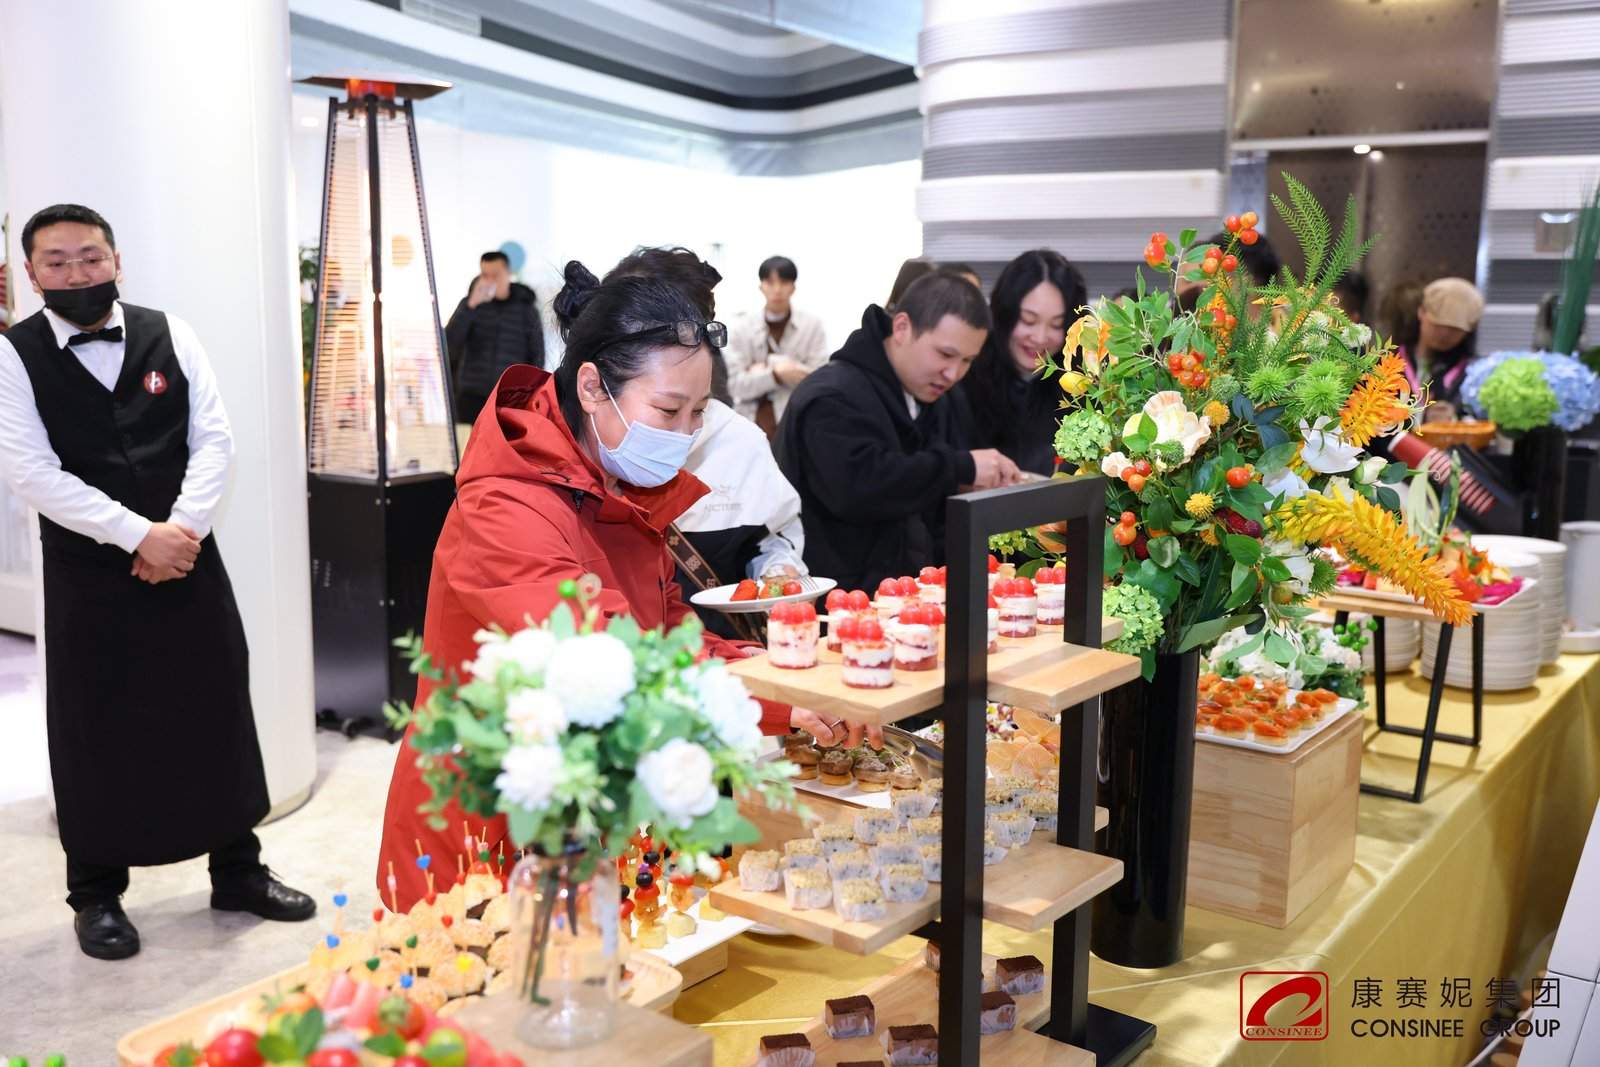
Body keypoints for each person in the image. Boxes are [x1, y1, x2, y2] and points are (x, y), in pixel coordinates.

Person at [377, 252, 859, 910]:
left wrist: (787, 690)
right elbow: (615, 663)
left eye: (698, 413)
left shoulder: (621, 489)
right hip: (485, 829)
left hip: (583, 811)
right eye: (668, 410)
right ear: (592, 388)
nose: (686, 435)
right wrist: (766, 697)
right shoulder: (507, 504)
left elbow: (673, 642)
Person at [0, 204, 314, 961]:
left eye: (90, 256)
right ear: (31, 275)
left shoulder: (171, 332)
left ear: (117, 260)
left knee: (215, 706)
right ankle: (96, 894)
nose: (77, 272)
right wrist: (139, 535)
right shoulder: (12, 355)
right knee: (93, 726)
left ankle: (237, 870)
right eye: (57, 262)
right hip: (88, 572)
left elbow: (215, 439)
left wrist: (181, 530)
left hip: (187, 558)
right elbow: (30, 470)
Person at [601, 248, 805, 643]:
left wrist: (779, 575)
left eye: (694, 410)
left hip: (718, 657)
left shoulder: (738, 441)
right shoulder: (570, 452)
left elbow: (773, 539)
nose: (682, 432)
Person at [775, 272, 1022, 593]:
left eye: (967, 361)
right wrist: (959, 468)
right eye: (945, 354)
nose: (953, 373)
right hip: (833, 600)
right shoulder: (831, 396)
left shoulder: (930, 395)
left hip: (907, 594)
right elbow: (860, 486)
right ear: (902, 327)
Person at [960, 250, 1087, 476]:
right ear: (1004, 314)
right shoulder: (965, 375)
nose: (1039, 337)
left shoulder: (1078, 387)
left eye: (1056, 325)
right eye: (1028, 320)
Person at [722, 255, 827, 437]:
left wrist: (765, 366)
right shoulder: (742, 328)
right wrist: (776, 373)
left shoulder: (812, 326)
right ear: (761, 286)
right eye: (770, 282)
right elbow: (734, 385)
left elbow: (821, 380)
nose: (777, 290)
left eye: (784, 282)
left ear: (793, 287)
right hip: (749, 427)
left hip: (798, 425)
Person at [444, 250, 546, 427]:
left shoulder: (526, 310)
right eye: (485, 275)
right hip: (470, 397)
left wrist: (527, 395)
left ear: (508, 273)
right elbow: (448, 345)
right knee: (468, 443)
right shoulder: (471, 304)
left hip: (508, 399)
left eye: (496, 275)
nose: (490, 280)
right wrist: (470, 305)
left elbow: (537, 356)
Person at [1397, 277, 1483, 420]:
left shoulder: (1472, 374)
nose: (1445, 334)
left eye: (1454, 330)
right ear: (1421, 312)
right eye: (1438, 325)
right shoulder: (1389, 361)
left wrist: (1455, 418)